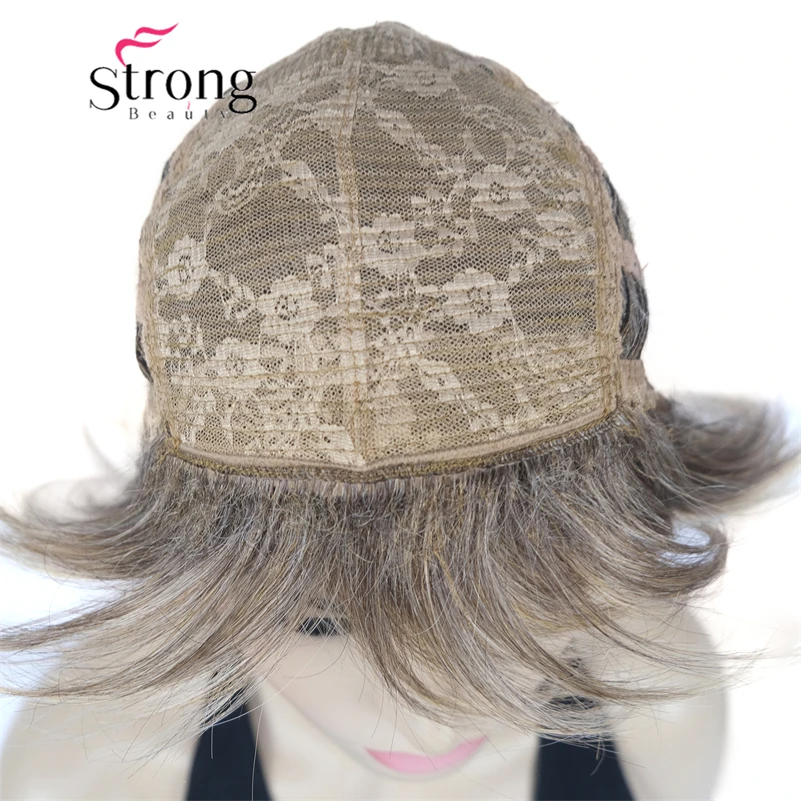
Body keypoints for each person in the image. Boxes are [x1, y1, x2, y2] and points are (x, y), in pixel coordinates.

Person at [1, 21, 797, 800]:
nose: (429, 717)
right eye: (317, 620)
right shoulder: (83, 773)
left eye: (521, 586)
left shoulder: (658, 708)